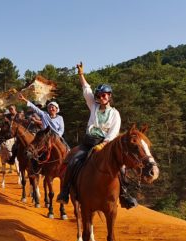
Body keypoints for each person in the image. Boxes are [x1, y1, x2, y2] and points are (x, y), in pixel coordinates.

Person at [56, 62, 137, 209]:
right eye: (99, 95)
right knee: (73, 160)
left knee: (122, 167)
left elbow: (113, 132)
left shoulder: (115, 114)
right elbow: (86, 89)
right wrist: (81, 74)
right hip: (89, 142)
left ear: (109, 96)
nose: (101, 97)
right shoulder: (93, 105)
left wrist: (104, 143)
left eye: (104, 94)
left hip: (106, 145)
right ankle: (65, 191)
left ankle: (124, 194)